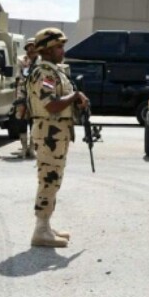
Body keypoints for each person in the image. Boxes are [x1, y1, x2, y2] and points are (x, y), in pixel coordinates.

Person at [27, 28, 88, 248]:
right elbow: (51, 104)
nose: (63, 50)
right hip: (48, 132)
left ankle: (45, 226)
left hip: (56, 132)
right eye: (59, 47)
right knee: (49, 179)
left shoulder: (54, 71)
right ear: (48, 50)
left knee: (53, 179)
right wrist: (75, 96)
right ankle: (40, 231)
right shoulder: (45, 73)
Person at [15, 40, 39, 159]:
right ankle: (24, 148)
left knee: (35, 122)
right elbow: (18, 78)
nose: (31, 50)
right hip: (23, 94)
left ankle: (32, 148)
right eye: (28, 47)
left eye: (33, 47)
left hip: (37, 95)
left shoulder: (41, 62)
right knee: (22, 121)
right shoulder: (22, 60)